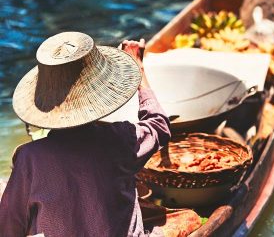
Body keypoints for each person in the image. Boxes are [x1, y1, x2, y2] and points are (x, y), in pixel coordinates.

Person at [0, 32, 171, 237]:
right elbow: (159, 125)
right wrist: (139, 69)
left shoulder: (30, 158)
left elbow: (10, 227)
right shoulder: (120, 139)